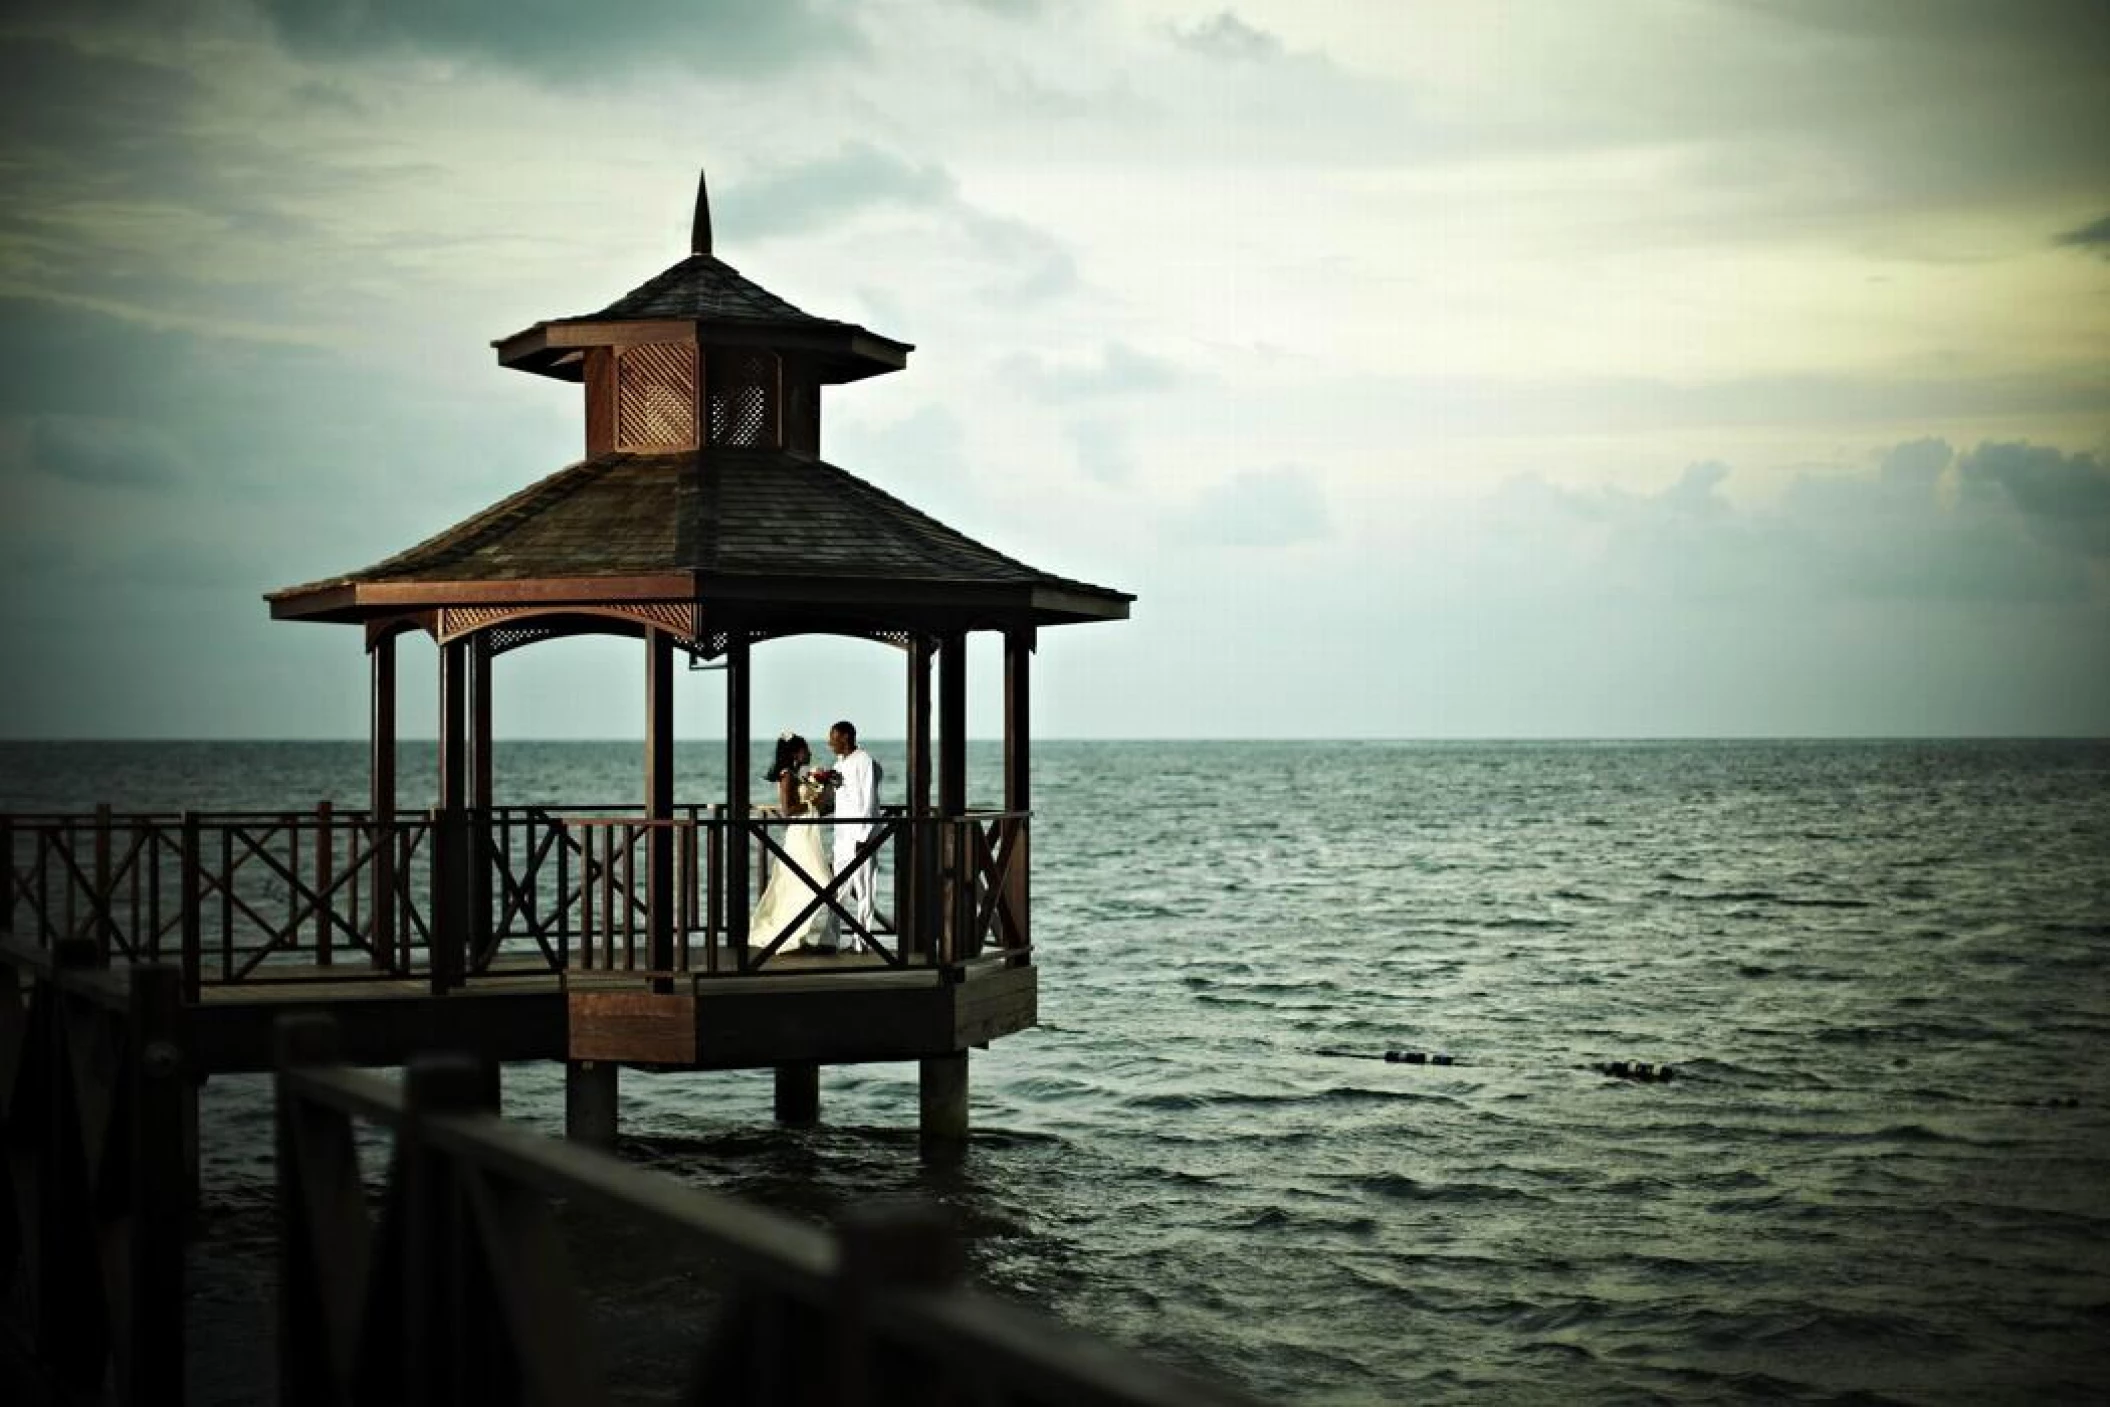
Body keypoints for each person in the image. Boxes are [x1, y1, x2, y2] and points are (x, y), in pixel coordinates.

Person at [749, 732, 835, 953]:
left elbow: (812, 805)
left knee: (808, 883)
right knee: (820, 881)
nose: (810, 753)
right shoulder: (787, 775)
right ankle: (792, 933)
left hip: (808, 833)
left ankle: (803, 935)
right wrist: (813, 804)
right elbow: (788, 810)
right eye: (806, 749)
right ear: (796, 753)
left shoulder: (798, 775)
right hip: (799, 836)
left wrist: (824, 793)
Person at [825, 720, 881, 949]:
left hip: (860, 836)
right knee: (837, 889)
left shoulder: (864, 761)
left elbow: (868, 800)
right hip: (842, 836)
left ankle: (862, 941)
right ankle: (832, 939)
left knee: (865, 887)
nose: (830, 743)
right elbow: (842, 796)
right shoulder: (839, 763)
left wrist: (864, 836)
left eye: (833, 738)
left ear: (846, 737)